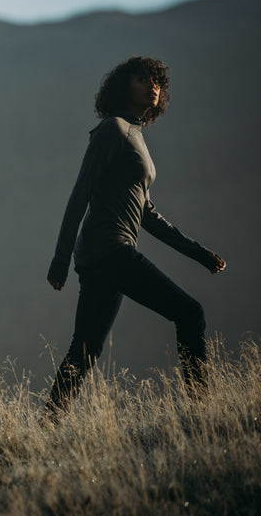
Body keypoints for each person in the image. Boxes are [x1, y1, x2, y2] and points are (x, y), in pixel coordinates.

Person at [45, 56, 225, 415]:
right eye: (143, 79)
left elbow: (147, 214)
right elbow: (81, 192)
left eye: (156, 80)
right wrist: (60, 258)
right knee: (190, 314)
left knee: (85, 349)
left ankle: (48, 421)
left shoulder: (134, 134)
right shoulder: (113, 130)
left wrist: (200, 253)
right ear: (124, 87)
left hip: (102, 255)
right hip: (109, 250)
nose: (152, 85)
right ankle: (203, 411)